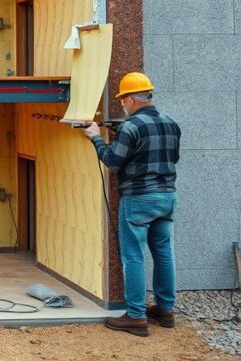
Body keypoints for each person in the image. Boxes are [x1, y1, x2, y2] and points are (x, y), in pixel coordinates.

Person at [82, 72, 180, 337]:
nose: (122, 105)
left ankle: (136, 316)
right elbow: (169, 157)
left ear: (130, 99)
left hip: (138, 198)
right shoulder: (171, 123)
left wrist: (96, 137)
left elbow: (113, 162)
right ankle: (165, 310)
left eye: (123, 100)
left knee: (133, 256)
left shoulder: (130, 128)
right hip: (167, 197)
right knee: (163, 253)